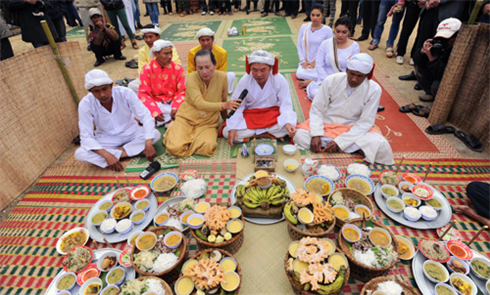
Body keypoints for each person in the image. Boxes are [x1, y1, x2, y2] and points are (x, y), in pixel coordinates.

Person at [294, 53, 394, 165]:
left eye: (360, 76)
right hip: (327, 122)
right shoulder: (331, 80)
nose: (354, 79)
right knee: (300, 136)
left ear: (367, 76)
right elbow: (317, 108)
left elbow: (366, 122)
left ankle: (337, 145)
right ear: (346, 70)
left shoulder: (374, 89)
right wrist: (316, 134)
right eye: (351, 74)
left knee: (381, 145)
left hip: (352, 126)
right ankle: (351, 148)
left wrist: (340, 142)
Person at [75, 69, 160, 171]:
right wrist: (106, 154)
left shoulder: (126, 93)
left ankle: (117, 153)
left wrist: (148, 143)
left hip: (131, 132)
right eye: (96, 91)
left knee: (155, 134)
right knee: (80, 154)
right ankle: (127, 153)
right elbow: (86, 136)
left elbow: (145, 116)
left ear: (111, 85)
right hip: (107, 138)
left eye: (105, 89)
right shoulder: (85, 104)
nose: (102, 94)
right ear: (90, 91)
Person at [164, 50, 242, 157]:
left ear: (214, 65)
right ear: (196, 68)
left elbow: (223, 99)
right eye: (200, 68)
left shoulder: (222, 77)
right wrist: (224, 105)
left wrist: (226, 120)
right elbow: (199, 103)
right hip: (187, 118)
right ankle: (172, 130)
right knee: (174, 148)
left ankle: (184, 137)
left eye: (208, 67)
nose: (204, 71)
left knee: (208, 147)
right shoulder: (191, 78)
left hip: (208, 121)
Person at [220, 50, 298, 146]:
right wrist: (232, 127)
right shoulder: (245, 80)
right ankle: (267, 134)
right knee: (226, 132)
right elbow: (237, 106)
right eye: (255, 70)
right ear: (250, 69)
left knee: (290, 126)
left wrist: (287, 122)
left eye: (263, 70)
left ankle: (255, 135)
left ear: (270, 68)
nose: (258, 74)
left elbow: (286, 104)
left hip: (272, 116)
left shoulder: (280, 80)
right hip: (251, 116)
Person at [301, 17, 361, 100]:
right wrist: (328, 81)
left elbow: (355, 68)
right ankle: (313, 83)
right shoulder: (326, 44)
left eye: (344, 32)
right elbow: (319, 65)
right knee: (316, 94)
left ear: (350, 32)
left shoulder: (354, 46)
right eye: (337, 31)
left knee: (353, 97)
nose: (340, 35)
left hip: (345, 80)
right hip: (325, 79)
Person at [412, 18, 461, 104]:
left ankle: (438, 97)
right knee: (419, 67)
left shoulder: (460, 52)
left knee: (436, 86)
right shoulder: (437, 45)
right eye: (441, 38)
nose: (444, 41)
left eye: (447, 39)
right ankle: (429, 92)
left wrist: (433, 60)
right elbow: (418, 62)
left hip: (450, 82)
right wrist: (422, 52)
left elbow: (446, 75)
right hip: (436, 72)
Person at [138, 40, 186, 127]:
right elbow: (144, 94)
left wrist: (176, 107)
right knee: (137, 112)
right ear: (156, 54)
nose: (170, 56)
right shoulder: (146, 69)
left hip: (172, 103)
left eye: (171, 53)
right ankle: (167, 122)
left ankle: (168, 121)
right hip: (155, 103)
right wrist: (154, 110)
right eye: (166, 53)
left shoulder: (177, 68)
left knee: (188, 109)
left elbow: (182, 92)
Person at [127, 25, 181, 94]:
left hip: (169, 78)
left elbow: (175, 65)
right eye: (145, 37)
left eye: (150, 37)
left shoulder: (168, 47)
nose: (148, 40)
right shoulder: (142, 51)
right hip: (152, 81)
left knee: (184, 83)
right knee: (132, 86)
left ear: (158, 37)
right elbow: (142, 71)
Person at [187, 27, 236, 93]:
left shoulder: (222, 53)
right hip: (200, 78)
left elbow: (222, 71)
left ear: (213, 39)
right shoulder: (192, 53)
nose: (205, 43)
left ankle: (221, 92)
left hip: (216, 79)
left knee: (231, 75)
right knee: (186, 80)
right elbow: (191, 71)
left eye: (208, 40)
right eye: (203, 40)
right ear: (199, 40)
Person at [295, 4, 333, 82]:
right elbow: (299, 46)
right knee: (299, 74)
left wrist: (316, 62)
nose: (315, 18)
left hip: (321, 63)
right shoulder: (304, 27)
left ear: (323, 15)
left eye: (318, 15)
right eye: (313, 15)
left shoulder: (327, 30)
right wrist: (303, 61)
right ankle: (317, 80)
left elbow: (329, 49)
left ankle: (311, 81)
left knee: (326, 74)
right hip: (306, 63)